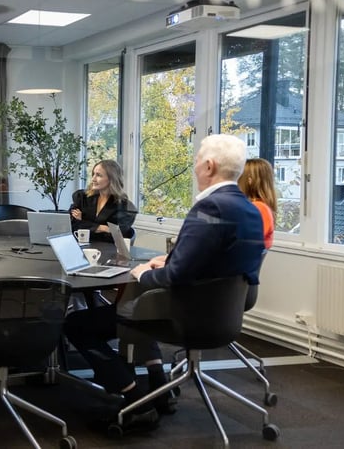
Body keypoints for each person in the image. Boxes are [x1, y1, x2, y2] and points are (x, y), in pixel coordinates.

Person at [65, 134, 265, 432]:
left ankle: (133, 397)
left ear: (209, 166)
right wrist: (170, 260)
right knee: (136, 307)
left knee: (80, 324)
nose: (195, 167)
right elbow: (217, 261)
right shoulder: (248, 209)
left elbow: (173, 279)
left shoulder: (210, 208)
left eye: (197, 161)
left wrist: (143, 273)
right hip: (222, 313)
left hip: (187, 314)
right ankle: (158, 383)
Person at [69, 159, 137, 241]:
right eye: (93, 174)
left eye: (99, 175)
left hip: (108, 250)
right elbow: (70, 224)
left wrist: (83, 221)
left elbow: (114, 236)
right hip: (81, 247)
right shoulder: (82, 197)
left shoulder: (124, 207)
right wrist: (102, 228)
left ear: (112, 179)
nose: (93, 179)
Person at [239, 157, 277, 250]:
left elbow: (245, 242)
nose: (237, 182)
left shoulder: (260, 208)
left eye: (240, 177)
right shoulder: (258, 206)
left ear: (249, 180)